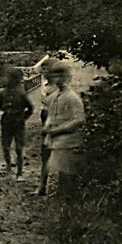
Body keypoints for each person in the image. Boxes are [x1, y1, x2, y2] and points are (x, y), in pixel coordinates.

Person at [41, 61, 86, 198]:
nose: (58, 79)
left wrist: (58, 130)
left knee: (68, 178)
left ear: (68, 76)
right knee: (57, 175)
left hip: (68, 143)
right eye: (55, 75)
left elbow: (79, 119)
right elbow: (51, 115)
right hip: (56, 143)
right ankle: (61, 203)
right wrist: (48, 126)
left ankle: (70, 208)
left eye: (61, 75)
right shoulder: (54, 97)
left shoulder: (72, 97)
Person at [0, 67, 33, 181]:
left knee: (19, 147)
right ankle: (8, 166)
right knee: (5, 146)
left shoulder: (21, 93)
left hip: (18, 122)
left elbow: (30, 108)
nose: (5, 79)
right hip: (7, 121)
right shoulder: (3, 93)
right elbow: (1, 106)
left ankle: (20, 172)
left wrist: (23, 118)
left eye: (7, 77)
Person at [34, 57, 59, 196]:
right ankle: (42, 187)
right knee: (45, 154)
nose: (43, 72)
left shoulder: (58, 87)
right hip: (45, 119)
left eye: (46, 69)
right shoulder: (44, 85)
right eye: (42, 69)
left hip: (55, 119)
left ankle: (59, 188)